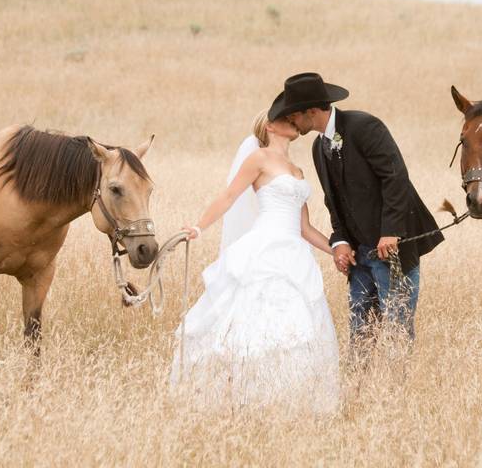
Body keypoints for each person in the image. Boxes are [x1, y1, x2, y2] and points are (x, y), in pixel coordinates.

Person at [170, 109, 339, 413]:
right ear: (271, 125)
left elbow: (305, 229)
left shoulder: (297, 170)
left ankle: (288, 400)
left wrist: (337, 250)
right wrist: (198, 227)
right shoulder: (258, 159)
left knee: (298, 326)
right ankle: (246, 398)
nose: (294, 121)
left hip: (294, 255)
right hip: (264, 249)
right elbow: (229, 196)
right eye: (287, 118)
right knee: (258, 323)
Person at [276, 72, 444, 352]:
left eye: (292, 114)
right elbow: (334, 201)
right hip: (359, 259)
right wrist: (340, 241)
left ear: (311, 111)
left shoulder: (365, 126)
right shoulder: (319, 148)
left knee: (397, 332)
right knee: (360, 336)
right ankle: (361, 390)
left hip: (391, 250)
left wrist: (391, 231)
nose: (290, 121)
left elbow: (396, 177)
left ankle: (395, 391)